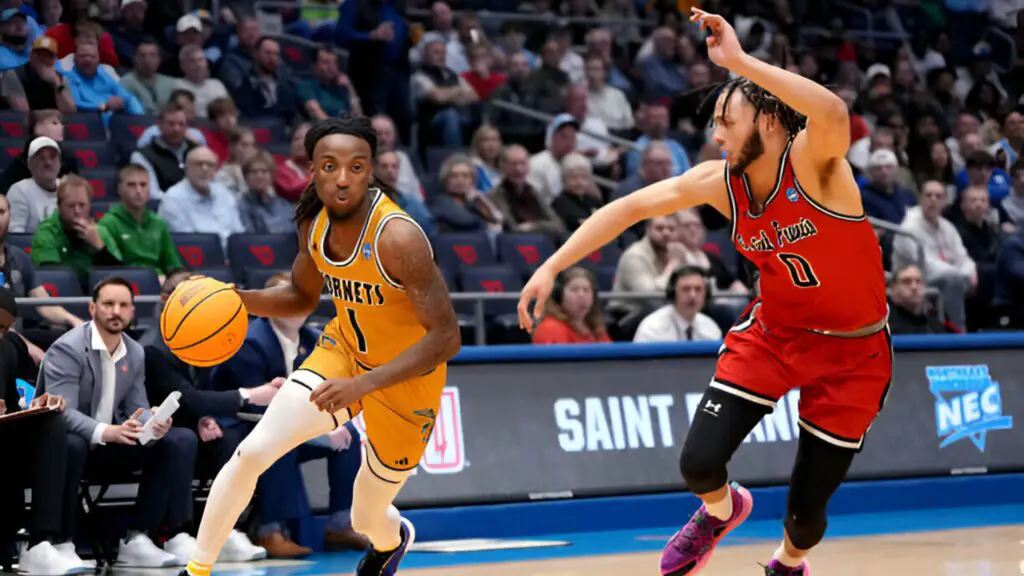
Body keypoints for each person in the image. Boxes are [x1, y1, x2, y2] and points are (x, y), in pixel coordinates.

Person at [517, 10, 890, 576]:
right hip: (775, 334)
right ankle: (721, 512)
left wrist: (738, 63)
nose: (714, 134)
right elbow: (630, 207)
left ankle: (788, 564)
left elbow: (833, 109)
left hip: (854, 353)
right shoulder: (722, 182)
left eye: (725, 121)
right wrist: (551, 265)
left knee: (805, 516)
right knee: (699, 463)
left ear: (767, 120)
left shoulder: (817, 164)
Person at [180, 115, 462, 576]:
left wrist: (364, 386)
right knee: (253, 452)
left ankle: (393, 542)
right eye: (330, 166)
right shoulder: (313, 221)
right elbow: (302, 296)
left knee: (365, 516)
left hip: (408, 379)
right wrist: (234, 299)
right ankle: (196, 569)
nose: (343, 178)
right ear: (311, 170)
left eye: (357, 166)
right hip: (343, 352)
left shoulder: (399, 236)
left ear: (371, 171)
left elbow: (447, 338)